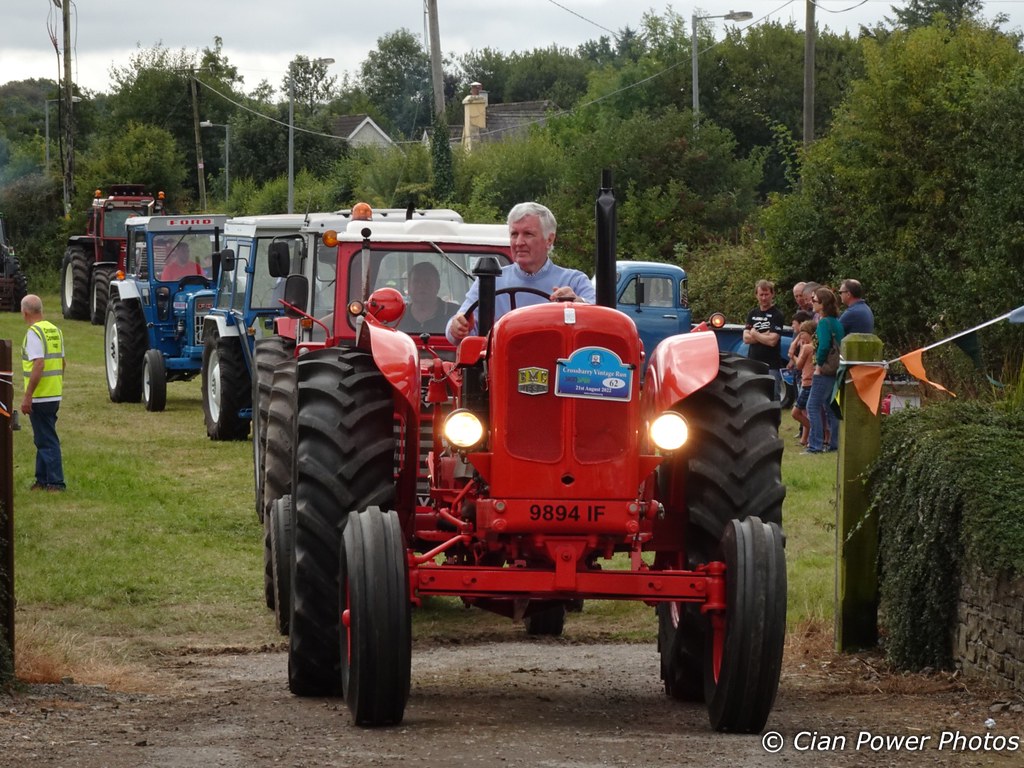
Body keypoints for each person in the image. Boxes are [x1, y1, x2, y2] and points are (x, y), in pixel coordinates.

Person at [446, 202, 595, 343]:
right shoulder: (491, 281)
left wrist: (578, 304)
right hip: (501, 365)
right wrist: (458, 327)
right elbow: (456, 330)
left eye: (528, 234)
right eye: (514, 234)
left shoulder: (574, 281)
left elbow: (601, 317)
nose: (518, 242)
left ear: (549, 240)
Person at [20, 294, 66, 491]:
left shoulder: (34, 333)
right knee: (43, 437)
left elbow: (39, 364)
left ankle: (55, 482)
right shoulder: (55, 331)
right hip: (54, 393)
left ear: (25, 313)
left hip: (41, 395)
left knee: (47, 440)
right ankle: (42, 479)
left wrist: (28, 394)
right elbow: (62, 363)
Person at [804, 287, 845, 454]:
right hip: (837, 369)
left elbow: (824, 346)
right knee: (831, 407)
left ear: (822, 304)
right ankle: (835, 443)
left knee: (812, 405)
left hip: (825, 370)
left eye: (814, 300)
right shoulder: (837, 321)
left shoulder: (823, 322)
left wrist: (818, 366)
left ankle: (815, 445)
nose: (811, 303)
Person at [743, 279, 786, 397]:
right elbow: (746, 338)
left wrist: (755, 333)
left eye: (766, 294)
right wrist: (764, 335)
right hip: (753, 363)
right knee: (753, 396)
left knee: (772, 396)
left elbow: (772, 341)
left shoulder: (777, 315)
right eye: (761, 294)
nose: (764, 298)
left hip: (771, 365)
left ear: (772, 294)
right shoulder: (752, 314)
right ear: (756, 295)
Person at [399, 261, 460, 334]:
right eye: (416, 281)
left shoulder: (456, 314)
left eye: (427, 281)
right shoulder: (398, 316)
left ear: (438, 285)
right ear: (409, 286)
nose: (421, 286)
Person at [791, 319, 817, 447]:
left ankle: (815, 431)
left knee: (796, 413)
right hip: (810, 381)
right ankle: (805, 439)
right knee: (807, 412)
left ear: (809, 333)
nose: (800, 336)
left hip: (807, 383)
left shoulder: (807, 347)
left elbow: (799, 365)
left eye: (803, 333)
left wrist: (792, 356)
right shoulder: (814, 346)